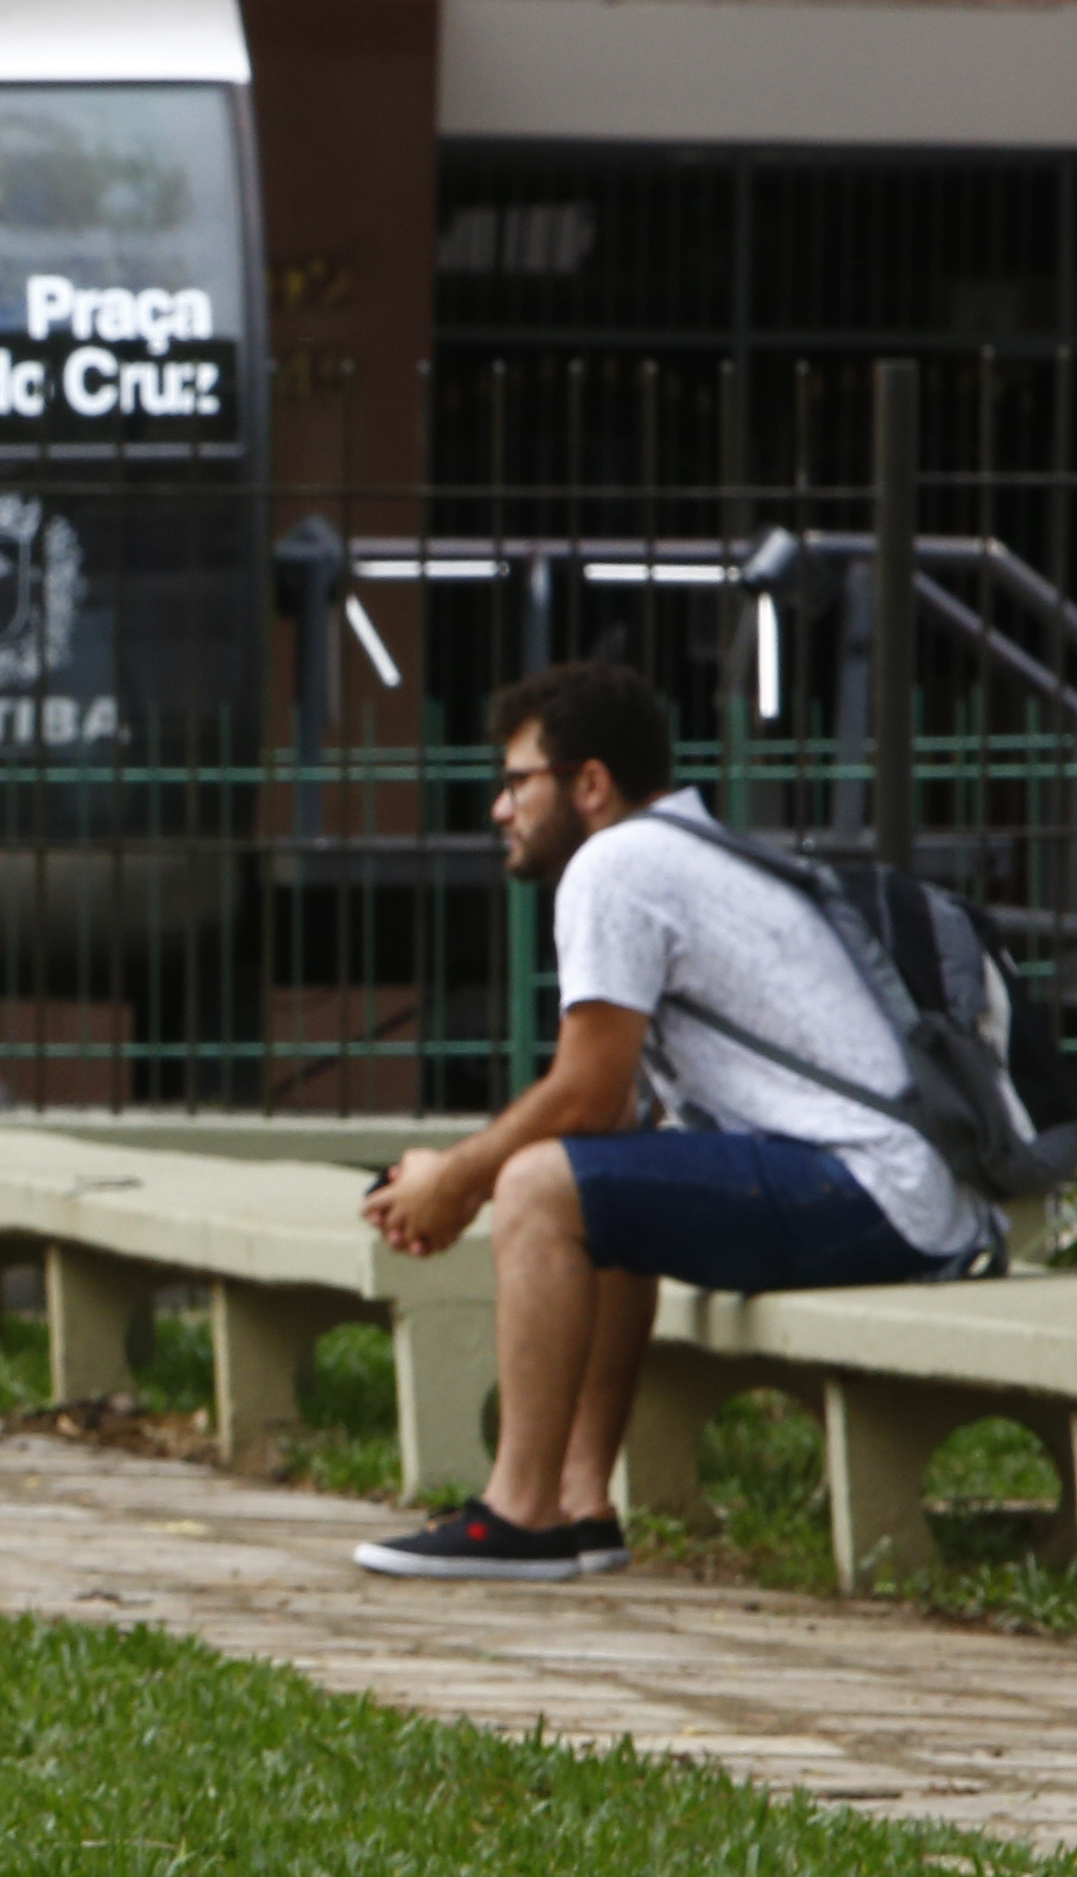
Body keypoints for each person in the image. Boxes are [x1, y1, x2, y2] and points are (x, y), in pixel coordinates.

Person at [351, 657, 998, 1583]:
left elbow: (581, 1087)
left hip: (865, 1187)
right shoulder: (686, 851)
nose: (501, 808)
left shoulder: (616, 863)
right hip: (898, 1189)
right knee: (598, 1177)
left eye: (516, 782)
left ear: (591, 783)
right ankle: (581, 1505)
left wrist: (455, 1179)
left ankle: (518, 1515)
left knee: (542, 1184)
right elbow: (609, 1113)